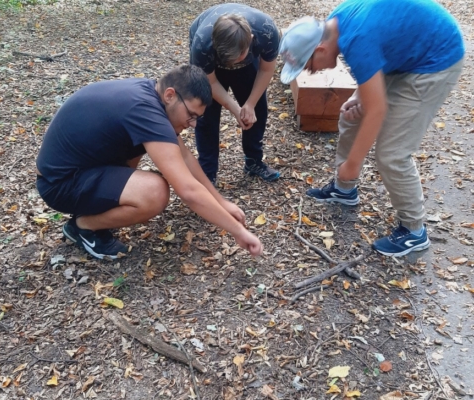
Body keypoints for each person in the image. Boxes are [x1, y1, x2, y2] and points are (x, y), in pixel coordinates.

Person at [279, 0, 464, 257]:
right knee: (350, 115)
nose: (311, 72)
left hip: (434, 60)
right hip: (404, 52)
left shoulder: (356, 38)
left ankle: (414, 232)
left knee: (392, 154)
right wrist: (358, 96)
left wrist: (353, 163)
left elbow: (377, 110)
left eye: (309, 66)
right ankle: (344, 190)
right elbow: (378, 49)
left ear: (320, 49)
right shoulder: (334, 25)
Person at [36, 65, 263, 260]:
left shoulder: (149, 95)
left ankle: (94, 214)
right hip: (60, 184)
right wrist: (238, 232)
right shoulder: (144, 111)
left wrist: (221, 202)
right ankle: (83, 227)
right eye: (191, 115)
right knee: (154, 192)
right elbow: (188, 191)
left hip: (81, 169)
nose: (193, 124)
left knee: (144, 159)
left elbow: (184, 157)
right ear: (170, 95)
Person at [189, 3, 281, 185]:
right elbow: (211, 81)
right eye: (228, 59)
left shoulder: (267, 32)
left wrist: (250, 104)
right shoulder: (202, 44)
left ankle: (253, 161)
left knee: (258, 110)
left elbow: (267, 69)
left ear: (251, 39)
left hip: (249, 64)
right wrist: (234, 108)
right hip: (211, 68)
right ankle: (207, 173)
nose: (232, 63)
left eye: (238, 57)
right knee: (205, 115)